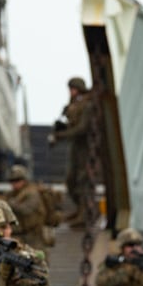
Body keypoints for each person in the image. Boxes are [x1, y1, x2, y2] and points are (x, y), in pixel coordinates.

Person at [49, 77, 93, 227]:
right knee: (71, 179)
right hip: (76, 146)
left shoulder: (87, 105)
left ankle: (84, 213)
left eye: (73, 88)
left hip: (86, 147)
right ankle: (79, 209)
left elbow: (82, 129)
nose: (71, 92)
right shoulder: (74, 105)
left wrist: (61, 135)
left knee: (82, 179)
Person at [5, 164, 59, 259]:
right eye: (12, 181)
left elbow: (26, 209)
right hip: (19, 235)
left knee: (38, 263)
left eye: (17, 180)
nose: (14, 184)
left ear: (24, 180)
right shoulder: (13, 194)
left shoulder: (32, 193)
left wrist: (10, 204)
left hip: (33, 236)